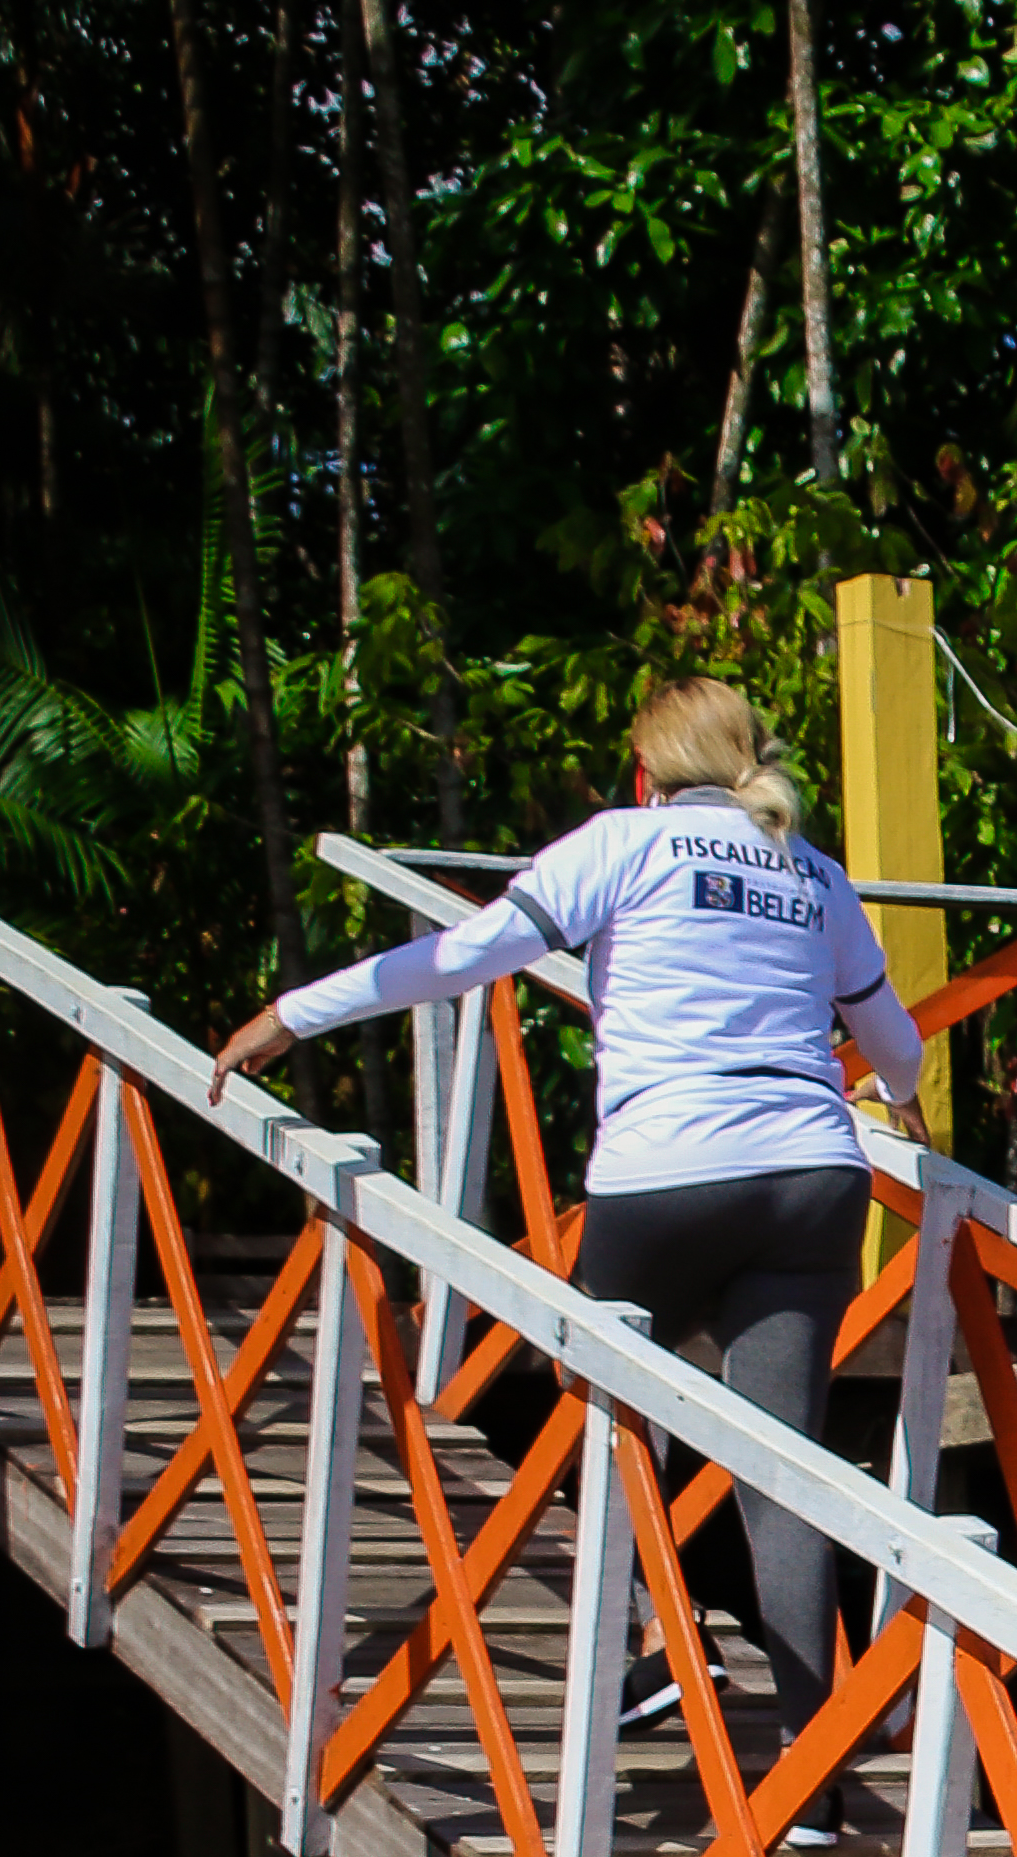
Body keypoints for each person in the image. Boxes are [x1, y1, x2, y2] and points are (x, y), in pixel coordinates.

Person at [219, 678, 922, 1767]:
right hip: (812, 1172)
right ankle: (812, 1777)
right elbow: (896, 1045)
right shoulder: (814, 874)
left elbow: (463, 957)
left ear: (647, 772)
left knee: (595, 1392)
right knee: (781, 1461)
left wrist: (291, 1014)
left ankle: (660, 1629)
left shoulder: (624, 844)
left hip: (670, 1168)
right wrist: (899, 1096)